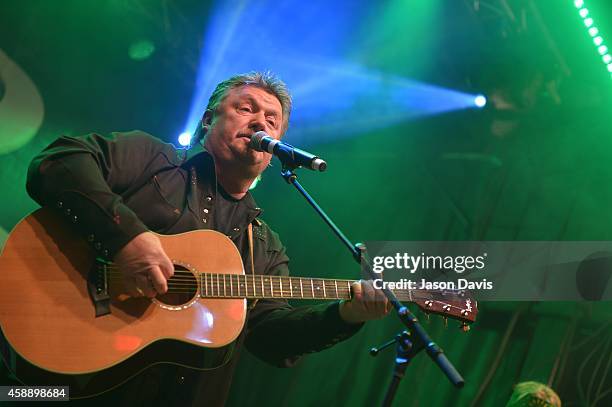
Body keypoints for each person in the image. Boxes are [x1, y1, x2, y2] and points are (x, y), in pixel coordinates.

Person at [26, 71, 390, 405]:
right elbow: (57, 162)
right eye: (246, 108)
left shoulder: (262, 244)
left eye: (271, 120)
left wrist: (345, 314)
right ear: (207, 119)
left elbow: (269, 337)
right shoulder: (152, 160)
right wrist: (125, 239)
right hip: (64, 385)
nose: (259, 121)